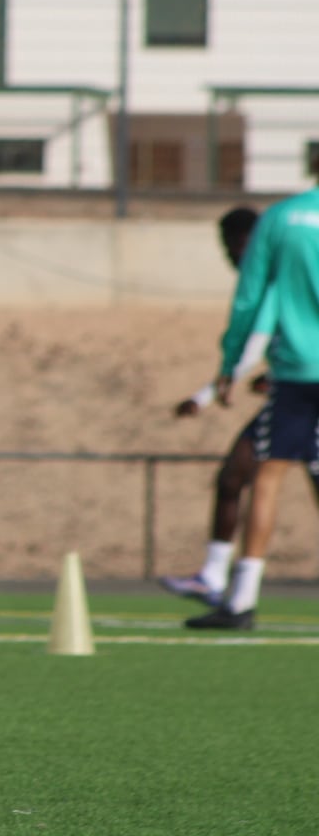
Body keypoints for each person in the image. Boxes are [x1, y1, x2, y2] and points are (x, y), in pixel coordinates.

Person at [187, 184, 319, 631]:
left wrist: (230, 366)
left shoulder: (281, 219)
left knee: (267, 479)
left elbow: (254, 301)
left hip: (299, 371)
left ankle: (241, 599)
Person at [159, 206, 282, 604]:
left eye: (233, 244)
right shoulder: (264, 281)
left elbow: (262, 338)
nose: (229, 253)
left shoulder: (280, 276)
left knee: (256, 481)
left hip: (304, 394)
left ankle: (230, 588)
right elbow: (257, 347)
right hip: (293, 394)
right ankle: (214, 577)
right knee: (234, 477)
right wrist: (205, 395)